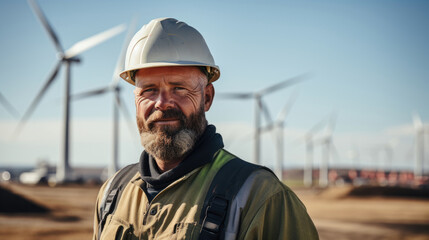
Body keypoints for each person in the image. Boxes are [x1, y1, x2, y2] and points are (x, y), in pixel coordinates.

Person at [93, 17, 319, 240]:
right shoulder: (112, 193)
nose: (162, 103)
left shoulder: (262, 198)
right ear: (135, 101)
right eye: (149, 90)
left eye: (179, 88)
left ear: (207, 98)